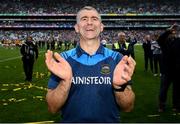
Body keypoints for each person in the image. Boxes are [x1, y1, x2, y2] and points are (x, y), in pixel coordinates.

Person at [45, 6, 136, 123]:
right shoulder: (63, 60)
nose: (89, 22)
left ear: (102, 27)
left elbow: (128, 107)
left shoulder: (117, 59)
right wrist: (65, 82)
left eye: (94, 18)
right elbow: (52, 108)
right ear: (77, 28)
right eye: (84, 19)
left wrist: (119, 87)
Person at [157, 24, 180, 112]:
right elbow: (160, 39)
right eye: (171, 32)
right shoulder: (164, 42)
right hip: (166, 70)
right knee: (163, 89)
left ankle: (176, 105)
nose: (173, 33)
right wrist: (168, 30)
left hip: (177, 70)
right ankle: (161, 106)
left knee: (177, 90)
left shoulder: (178, 41)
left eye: (174, 32)